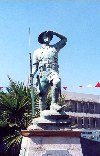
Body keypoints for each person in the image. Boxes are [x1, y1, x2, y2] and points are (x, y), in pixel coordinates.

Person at [32, 31, 67, 111]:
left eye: (50, 36)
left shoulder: (55, 47)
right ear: (42, 38)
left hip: (53, 71)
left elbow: (64, 39)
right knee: (42, 95)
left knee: (57, 81)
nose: (48, 37)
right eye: (46, 36)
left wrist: (55, 33)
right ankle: (42, 113)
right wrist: (32, 75)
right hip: (42, 73)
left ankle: (54, 104)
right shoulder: (36, 52)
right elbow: (35, 67)